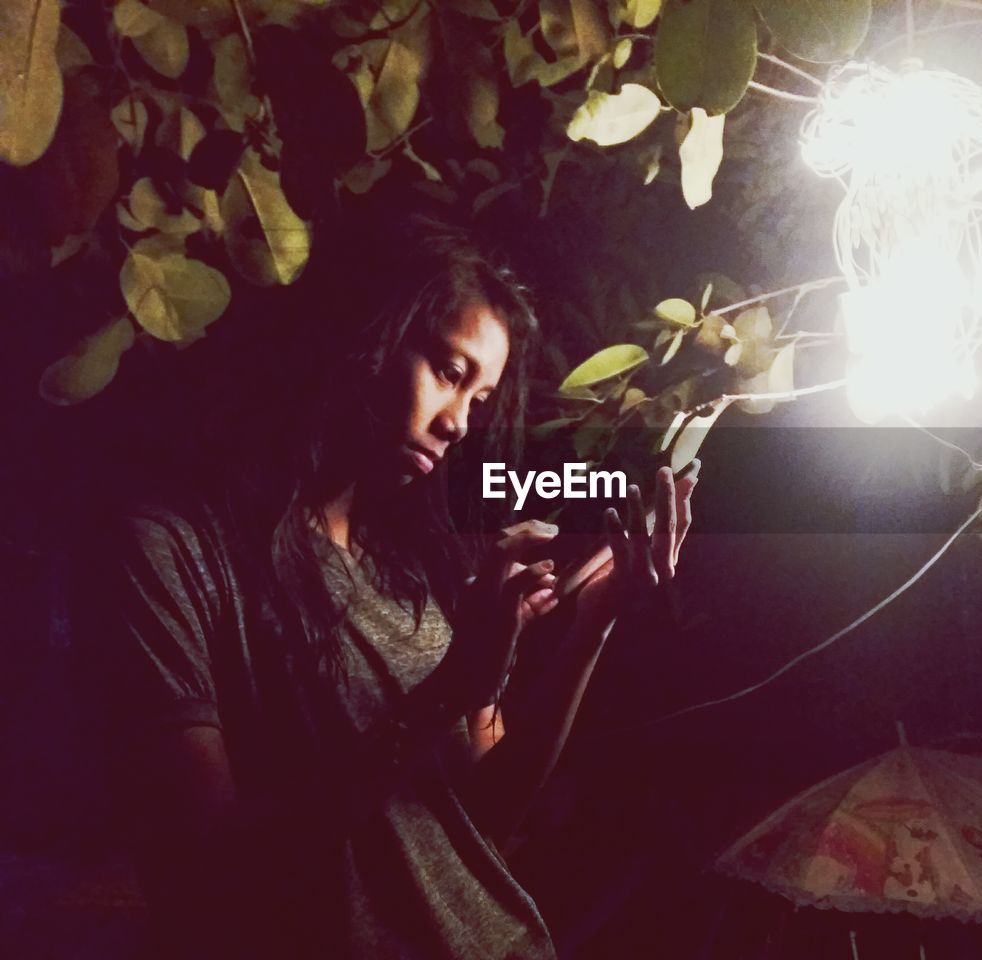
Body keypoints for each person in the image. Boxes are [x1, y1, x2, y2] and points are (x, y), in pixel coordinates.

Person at [94, 214, 697, 960]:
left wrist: (591, 626)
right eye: (449, 372)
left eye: (479, 401)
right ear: (367, 335)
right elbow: (207, 875)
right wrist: (448, 691)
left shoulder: (403, 566)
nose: (457, 425)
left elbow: (485, 817)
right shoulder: (174, 548)